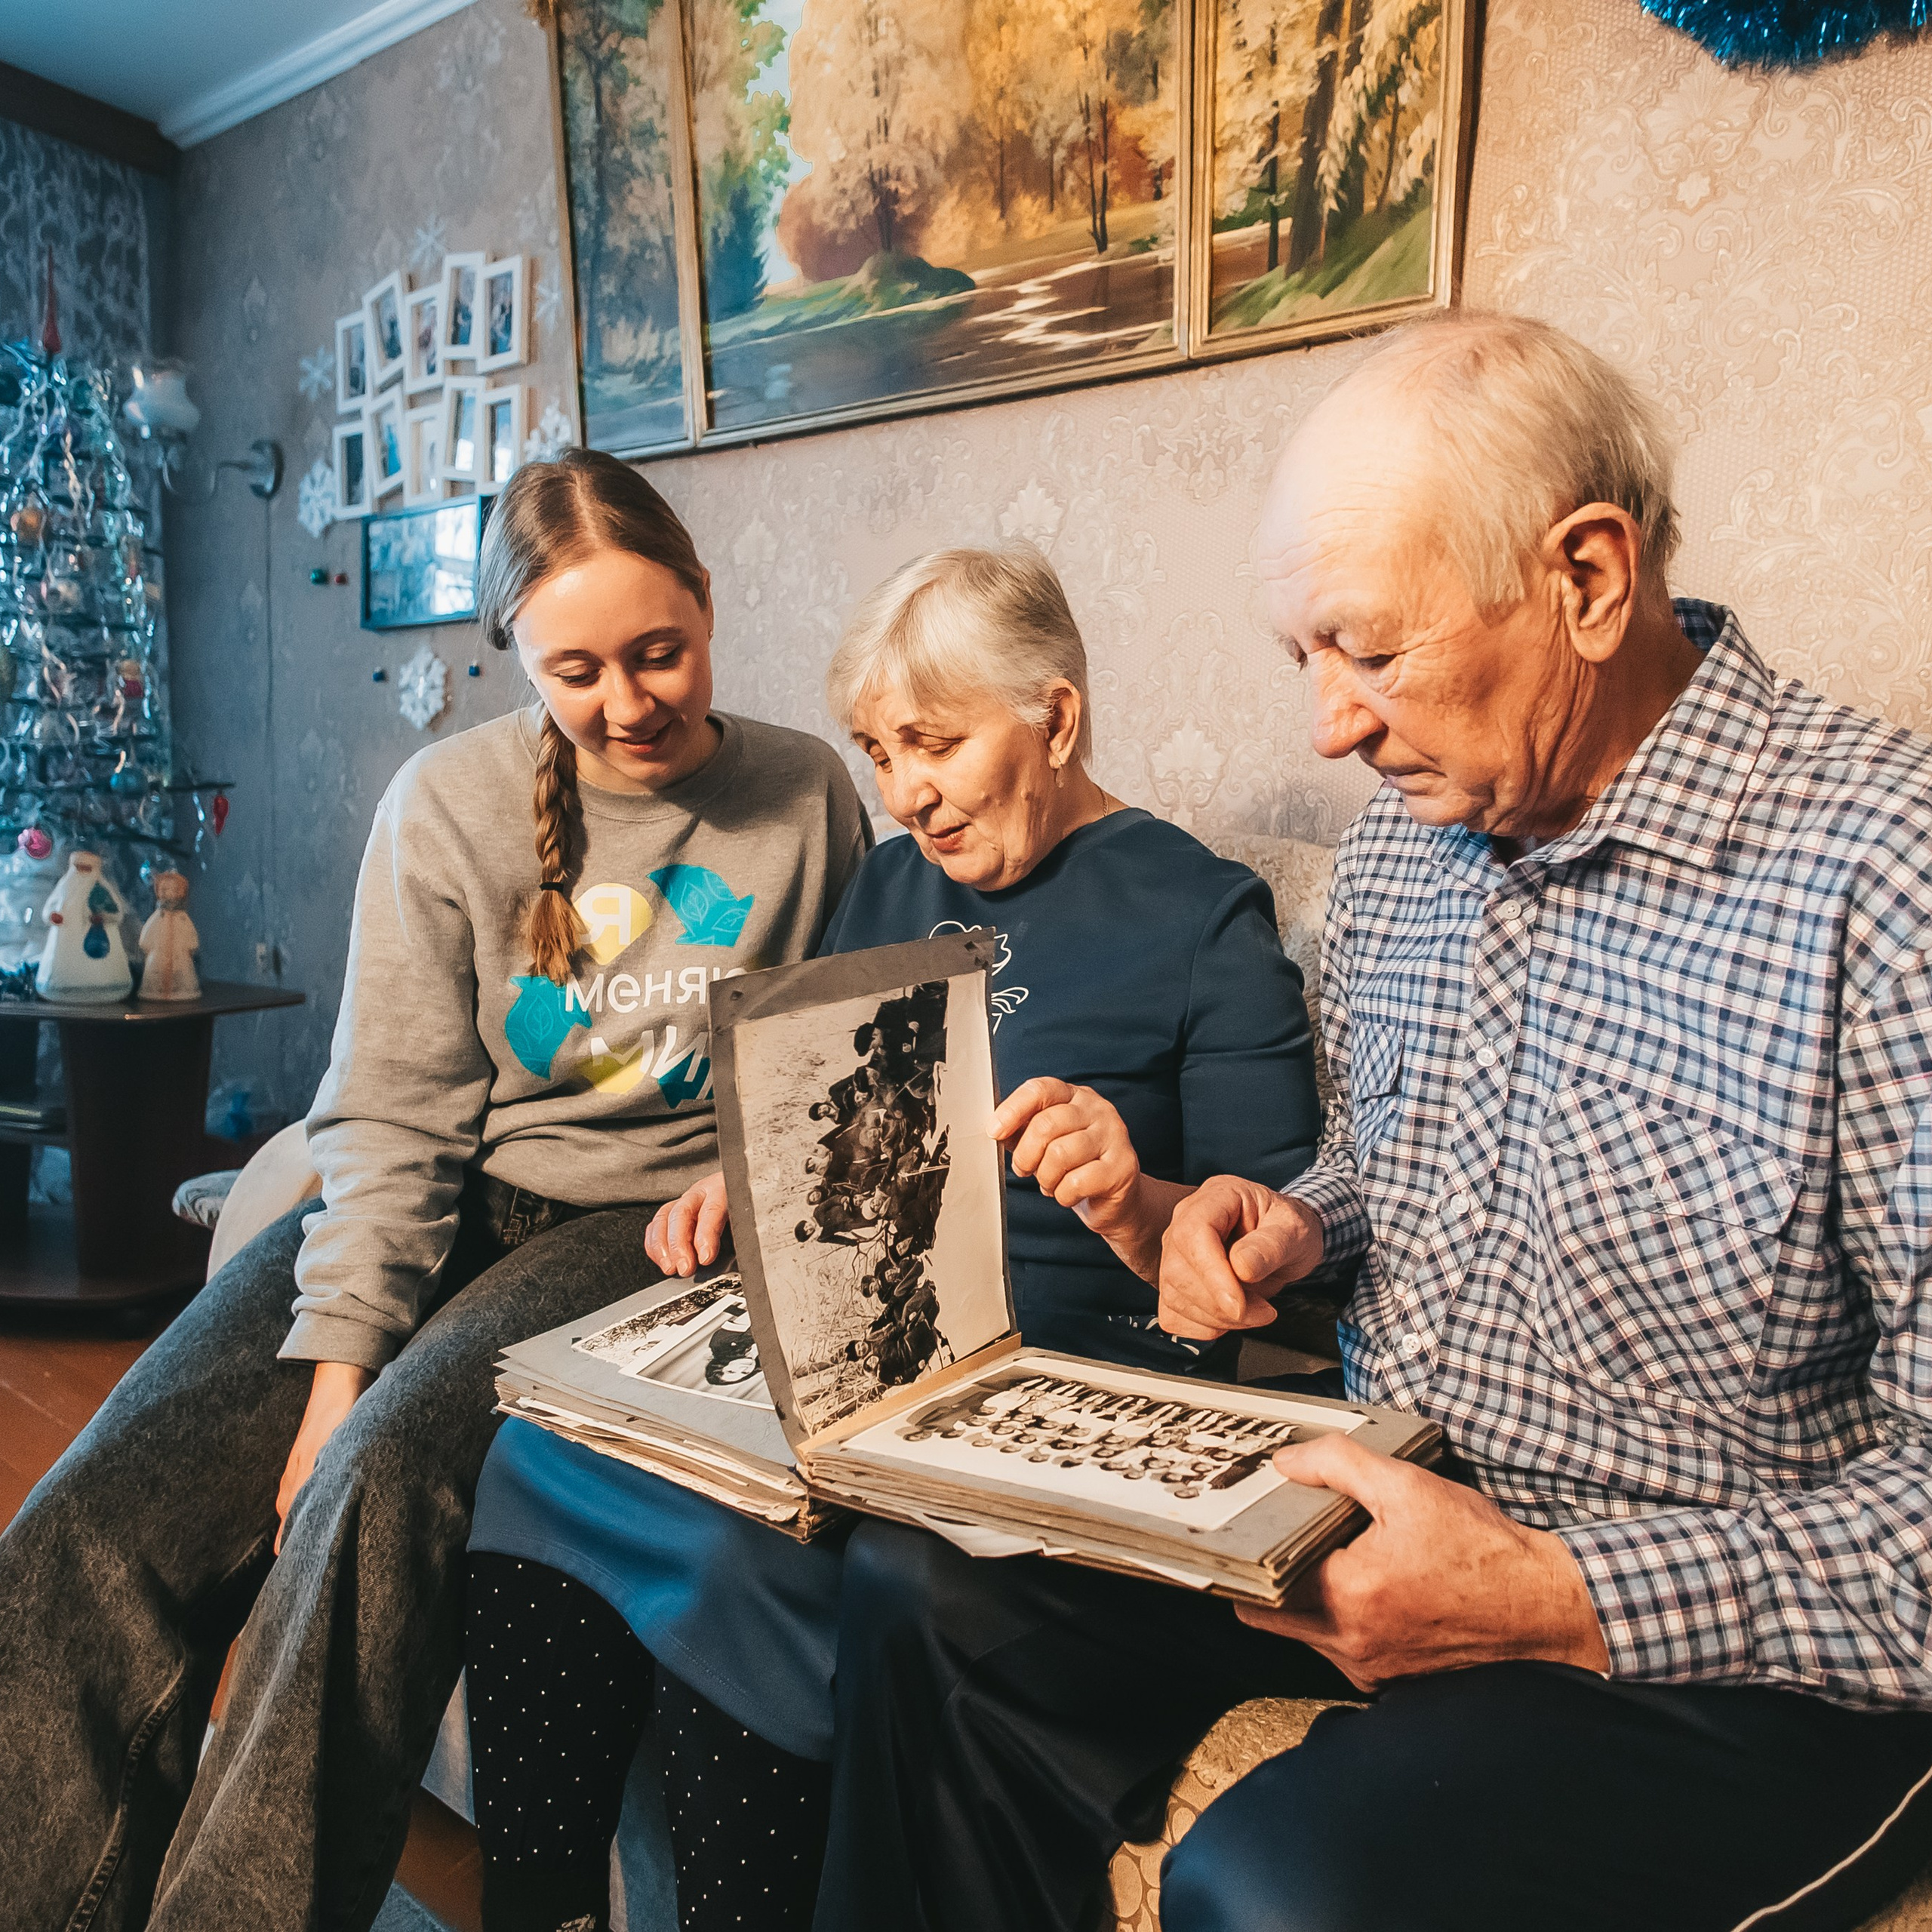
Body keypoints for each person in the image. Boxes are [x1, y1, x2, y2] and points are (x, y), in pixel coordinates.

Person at [816, 314, 1932, 1932]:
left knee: (1283, 1884)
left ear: (1588, 579)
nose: (1329, 727)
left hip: (1714, 1641)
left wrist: (1548, 1592)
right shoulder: (1414, 838)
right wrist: (1285, 1221)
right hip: (1369, 1493)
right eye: (1305, 661)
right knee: (927, 1590)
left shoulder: (1884, 881)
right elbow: (1379, 1169)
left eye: (1369, 651)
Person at [0, 448, 867, 1932]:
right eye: (575, 671)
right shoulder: (448, 804)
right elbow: (395, 1120)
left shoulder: (806, 796)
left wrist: (742, 1179)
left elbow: (830, 1068)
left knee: (377, 1480)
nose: (627, 700)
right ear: (517, 655)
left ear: (707, 602)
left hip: (639, 1232)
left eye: (658, 652)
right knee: (92, 1508)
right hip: (454, 1192)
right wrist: (333, 1370)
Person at [462, 543, 1323, 1932]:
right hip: (868, 1360)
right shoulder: (891, 887)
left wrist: (1135, 1204)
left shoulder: (1198, 912)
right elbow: (834, 1121)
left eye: (935, 743)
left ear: (1055, 717)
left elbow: (1278, 1256)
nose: (904, 790)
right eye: (878, 751)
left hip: (1061, 1387)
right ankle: (539, 1907)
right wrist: (751, 1183)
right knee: (539, 1453)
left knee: (742, 1557)